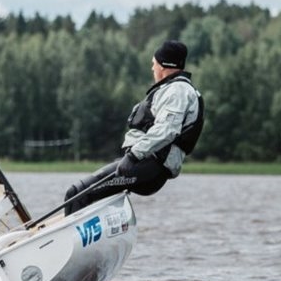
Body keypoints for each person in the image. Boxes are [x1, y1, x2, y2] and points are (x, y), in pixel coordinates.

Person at [63, 40, 203, 215]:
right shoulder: (173, 88)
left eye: (154, 63)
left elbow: (166, 130)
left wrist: (133, 156)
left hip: (149, 166)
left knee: (76, 194)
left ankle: (68, 232)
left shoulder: (177, 91)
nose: (152, 68)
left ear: (163, 66)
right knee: (84, 195)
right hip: (144, 165)